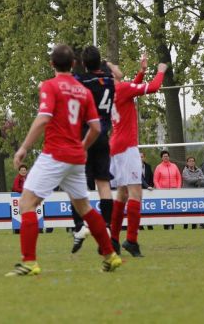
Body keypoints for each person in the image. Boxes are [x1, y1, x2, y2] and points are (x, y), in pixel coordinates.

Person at [7, 44, 120, 276]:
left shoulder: (50, 85)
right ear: (73, 64)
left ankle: (29, 262)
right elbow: (96, 127)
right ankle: (110, 255)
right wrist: (82, 147)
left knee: (27, 204)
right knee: (85, 207)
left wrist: (24, 148)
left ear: (52, 64)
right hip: (76, 158)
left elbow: (43, 119)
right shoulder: (83, 91)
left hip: (55, 154)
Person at [109, 55, 167, 257]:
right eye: (114, 66)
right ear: (111, 74)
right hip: (127, 146)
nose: (118, 67)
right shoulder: (122, 88)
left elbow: (131, 89)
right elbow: (153, 88)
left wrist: (142, 72)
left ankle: (113, 240)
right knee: (136, 194)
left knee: (122, 194)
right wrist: (161, 70)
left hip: (116, 146)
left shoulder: (110, 92)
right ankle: (131, 240)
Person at [69, 46, 117, 254]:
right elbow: (117, 73)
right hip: (103, 136)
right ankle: (106, 225)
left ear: (84, 64)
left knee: (75, 182)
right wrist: (108, 64)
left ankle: (79, 225)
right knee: (103, 183)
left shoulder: (83, 81)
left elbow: (68, 81)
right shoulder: (109, 80)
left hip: (86, 135)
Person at [181, 156, 204, 231]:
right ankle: (185, 227)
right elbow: (189, 180)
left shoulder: (199, 170)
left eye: (193, 161)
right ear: (187, 163)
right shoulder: (185, 171)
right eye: (190, 161)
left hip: (196, 193)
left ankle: (194, 227)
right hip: (186, 194)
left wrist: (197, 180)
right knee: (186, 211)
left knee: (195, 210)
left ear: (195, 162)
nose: (191, 162)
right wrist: (198, 179)